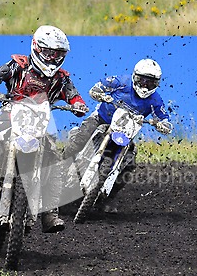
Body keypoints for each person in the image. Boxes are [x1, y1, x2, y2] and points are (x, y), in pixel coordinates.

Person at [0, 25, 88, 233]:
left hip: (40, 124)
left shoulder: (61, 78)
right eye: (49, 53)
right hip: (10, 116)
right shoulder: (19, 65)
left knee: (53, 161)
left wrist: (78, 105)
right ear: (36, 47)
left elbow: (73, 95)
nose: (52, 58)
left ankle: (50, 213)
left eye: (58, 54)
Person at [62, 58, 173, 219]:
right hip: (101, 119)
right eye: (142, 81)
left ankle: (109, 199)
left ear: (156, 84)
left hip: (125, 132)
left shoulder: (155, 100)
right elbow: (97, 87)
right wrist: (99, 93)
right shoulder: (121, 81)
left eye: (150, 83)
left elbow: (165, 119)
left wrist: (163, 125)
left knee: (130, 162)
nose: (144, 86)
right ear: (135, 77)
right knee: (77, 143)